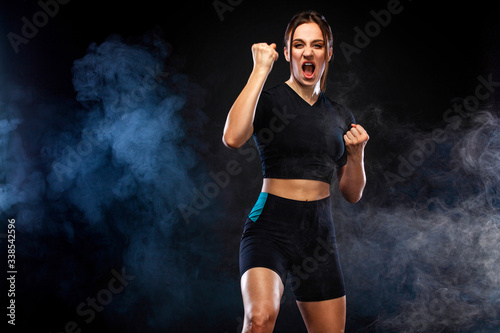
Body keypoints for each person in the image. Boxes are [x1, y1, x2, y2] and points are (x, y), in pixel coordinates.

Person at [222, 10, 369, 333]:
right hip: (269, 227)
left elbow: (352, 194)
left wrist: (357, 156)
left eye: (317, 45)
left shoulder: (341, 115)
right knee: (259, 320)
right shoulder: (268, 101)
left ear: (328, 53)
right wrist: (260, 70)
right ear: (288, 52)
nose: (308, 52)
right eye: (299, 45)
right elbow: (232, 138)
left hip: (318, 234)